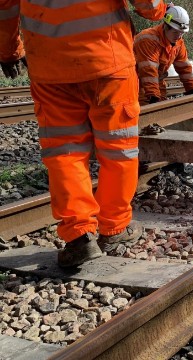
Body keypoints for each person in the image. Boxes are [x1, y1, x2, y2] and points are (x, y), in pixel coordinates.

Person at [0, 0, 167, 268]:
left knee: (64, 152)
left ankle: (79, 237)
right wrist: (159, 10)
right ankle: (114, 228)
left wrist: (9, 52)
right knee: (118, 149)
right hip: (107, 61)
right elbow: (150, 6)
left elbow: (6, 9)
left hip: (49, 69)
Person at [134, 5, 193, 105]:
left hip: (156, 83)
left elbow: (184, 68)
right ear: (166, 26)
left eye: (182, 33)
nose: (179, 36)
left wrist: (192, 90)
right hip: (137, 86)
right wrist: (154, 97)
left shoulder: (178, 43)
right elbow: (148, 72)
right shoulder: (148, 40)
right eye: (176, 32)